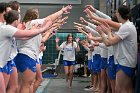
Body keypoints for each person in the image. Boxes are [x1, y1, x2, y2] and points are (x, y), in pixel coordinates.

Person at [96, 5, 137, 93]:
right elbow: (107, 43)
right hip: (124, 61)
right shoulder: (126, 26)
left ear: (118, 14)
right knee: (126, 89)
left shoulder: (126, 26)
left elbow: (111, 41)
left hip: (125, 62)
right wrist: (103, 33)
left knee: (120, 89)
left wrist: (107, 32)